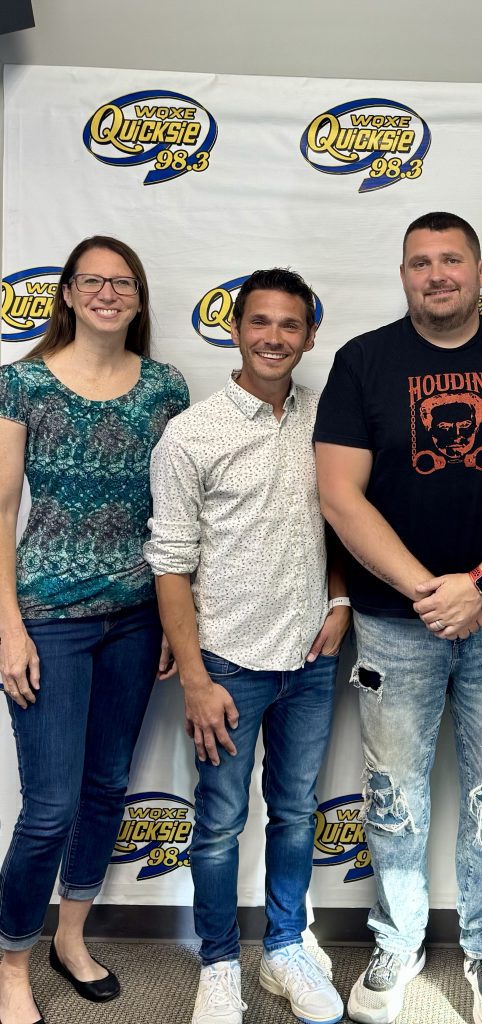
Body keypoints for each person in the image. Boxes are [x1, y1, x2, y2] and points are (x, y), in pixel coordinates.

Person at [314, 212, 482, 1024]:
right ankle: (398, 943)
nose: (437, 275)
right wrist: (433, 591)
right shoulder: (363, 362)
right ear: (403, 274)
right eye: (421, 262)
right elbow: (339, 496)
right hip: (396, 624)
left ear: (481, 270)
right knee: (392, 792)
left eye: (451, 260)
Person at [145, 268, 350, 1024]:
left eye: (290, 324)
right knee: (220, 823)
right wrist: (195, 679)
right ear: (235, 330)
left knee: (295, 813)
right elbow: (170, 563)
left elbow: (343, 520)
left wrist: (339, 599)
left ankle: (285, 948)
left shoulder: (327, 421)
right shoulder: (190, 435)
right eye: (259, 322)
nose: (274, 337)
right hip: (227, 665)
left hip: (310, 661)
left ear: (310, 335)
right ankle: (220, 963)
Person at [0, 236, 189, 1024]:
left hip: (137, 617)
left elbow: (178, 513)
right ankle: (12, 962)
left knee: (107, 788)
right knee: (49, 806)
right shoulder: (23, 384)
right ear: (70, 295)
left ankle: (70, 939)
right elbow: (0, 510)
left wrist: (178, 620)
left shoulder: (165, 388)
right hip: (47, 617)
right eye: (92, 281)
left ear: (139, 298)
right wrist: (8, 627)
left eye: (123, 282)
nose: (108, 293)